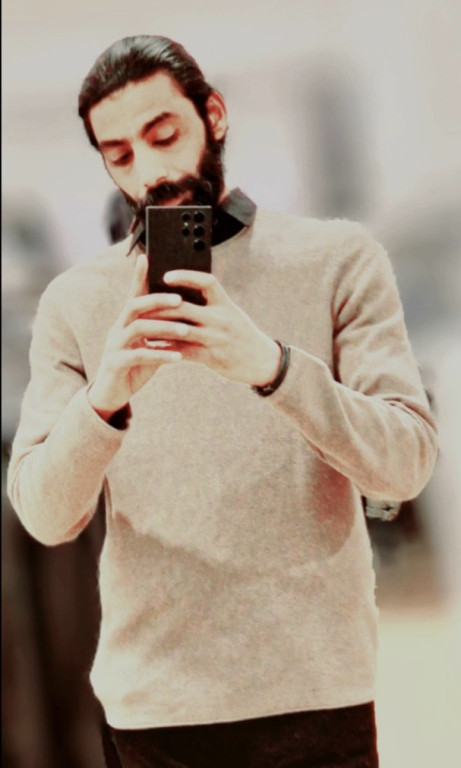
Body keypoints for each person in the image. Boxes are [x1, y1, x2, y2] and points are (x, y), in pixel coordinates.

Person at [7, 35, 438, 768]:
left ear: (213, 115)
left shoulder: (338, 262)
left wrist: (271, 368)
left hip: (315, 695)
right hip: (155, 710)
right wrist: (105, 400)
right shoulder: (75, 303)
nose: (148, 172)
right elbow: (45, 517)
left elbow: (405, 465)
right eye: (119, 154)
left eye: (163, 134)